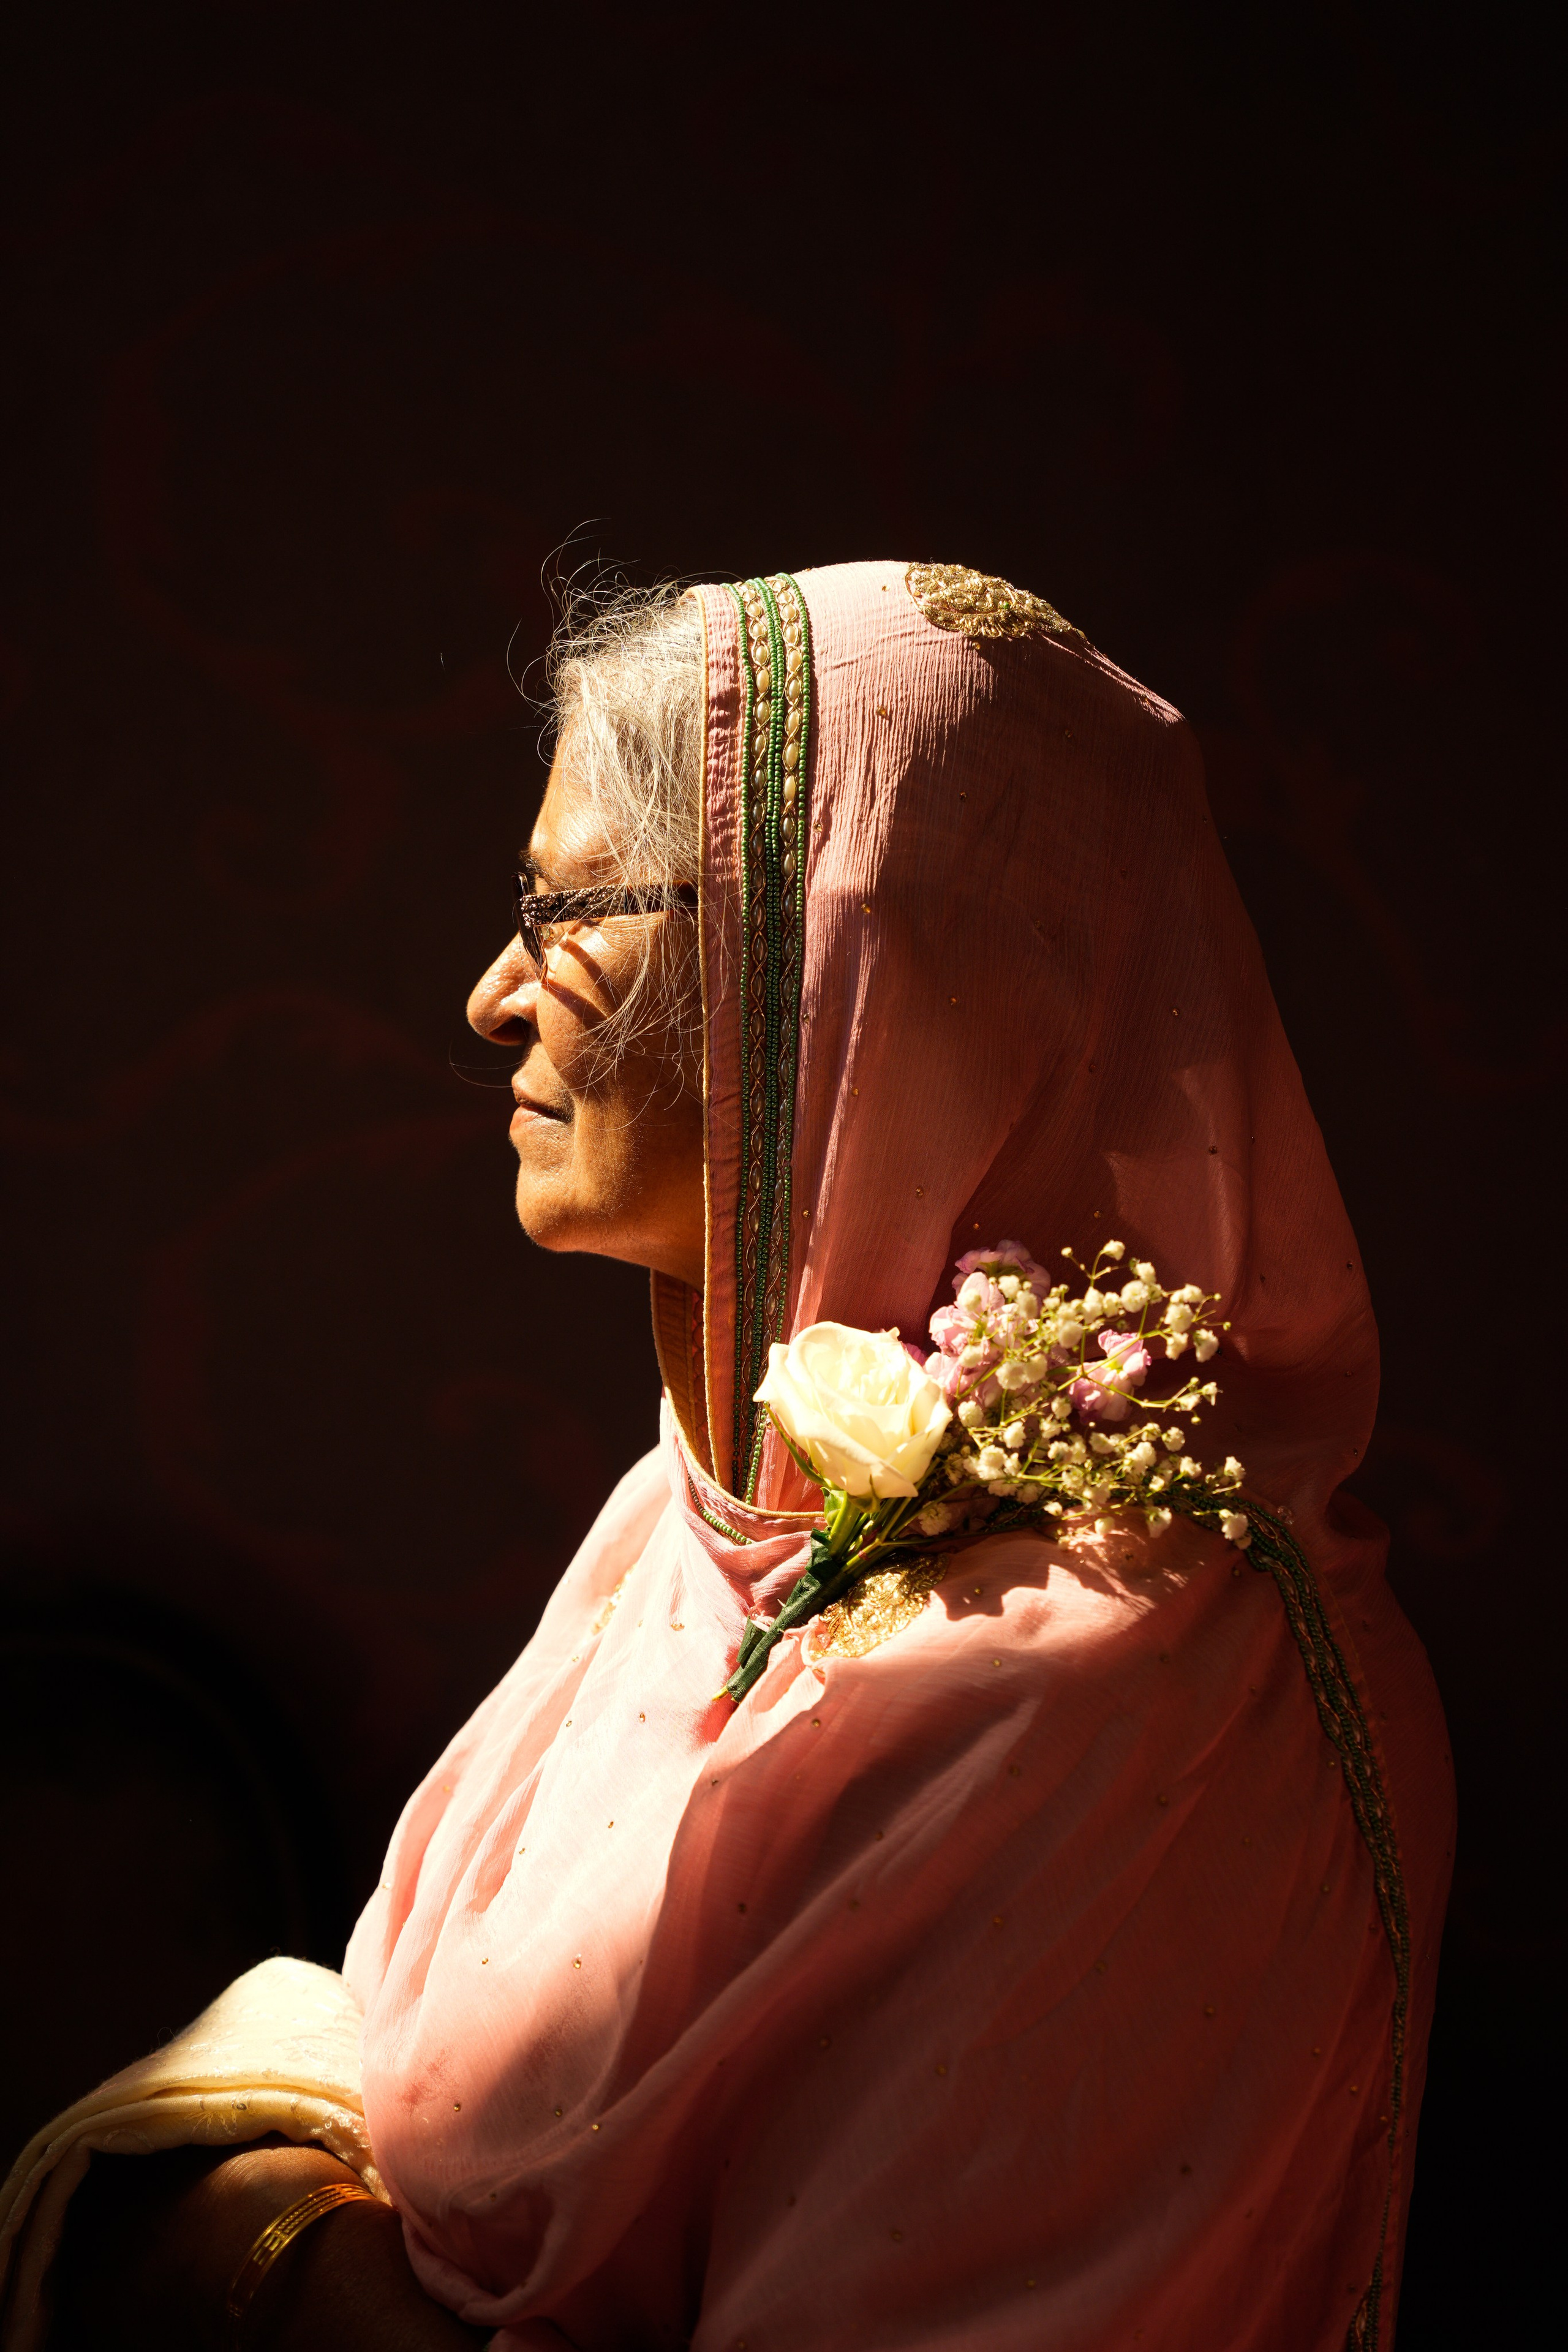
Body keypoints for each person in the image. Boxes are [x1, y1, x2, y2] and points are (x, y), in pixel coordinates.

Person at [2, 561, 1452, 2352]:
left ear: (845, 963)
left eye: (564, 915)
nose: (487, 999)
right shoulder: (719, 1509)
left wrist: (267, 2246)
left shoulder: (1145, 1691)